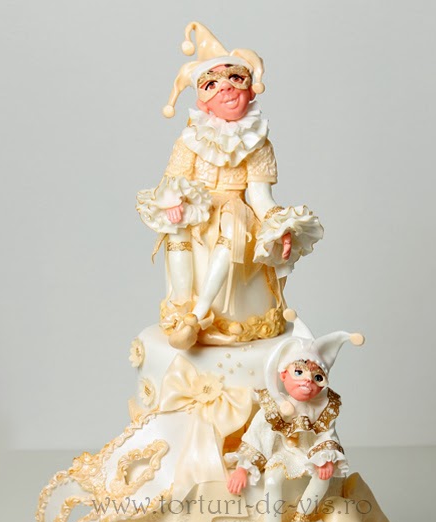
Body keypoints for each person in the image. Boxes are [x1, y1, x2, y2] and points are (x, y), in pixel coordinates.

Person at [136, 22, 324, 349]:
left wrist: (280, 225)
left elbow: (260, 197)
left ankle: (201, 312)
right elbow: (173, 181)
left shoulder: (258, 143)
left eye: (236, 79)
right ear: (203, 102)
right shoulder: (191, 139)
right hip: (197, 204)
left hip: (234, 206)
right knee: (176, 229)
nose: (226, 89)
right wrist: (173, 201)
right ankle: (181, 308)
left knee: (233, 228)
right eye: (212, 84)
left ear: (251, 91)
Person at [226, 317, 364, 522]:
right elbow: (257, 435)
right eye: (299, 373)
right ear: (283, 374)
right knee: (272, 481)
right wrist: (243, 468)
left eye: (317, 377)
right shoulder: (275, 406)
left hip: (308, 453)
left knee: (323, 477)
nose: (307, 382)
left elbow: (327, 435)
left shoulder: (321, 409)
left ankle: (302, 520)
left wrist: (326, 457)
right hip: (283, 453)